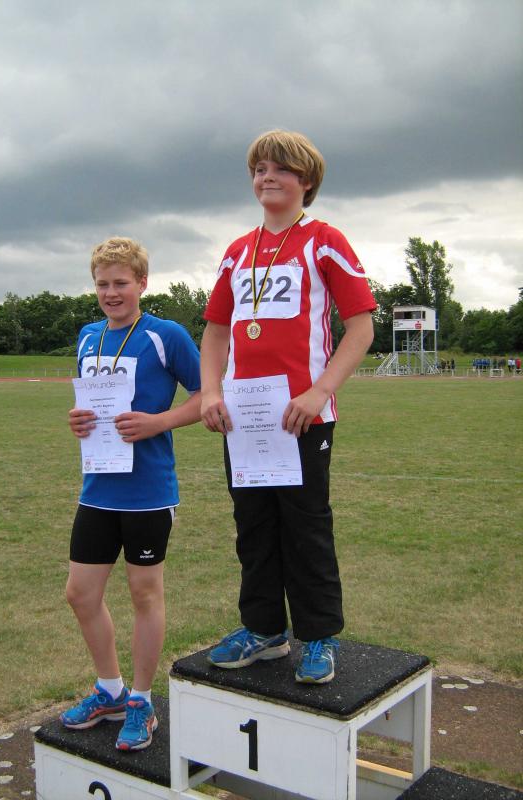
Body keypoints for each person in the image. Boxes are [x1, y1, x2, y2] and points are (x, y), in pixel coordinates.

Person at [200, 130, 376, 684]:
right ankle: (264, 630)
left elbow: (361, 327)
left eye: (280, 169)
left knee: (306, 528)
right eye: (259, 169)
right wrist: (211, 392)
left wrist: (319, 391)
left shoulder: (324, 240)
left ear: (306, 180)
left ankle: (319, 636)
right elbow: (216, 331)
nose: (267, 177)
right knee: (253, 528)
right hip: (245, 419)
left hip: (302, 417)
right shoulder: (237, 251)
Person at [61, 237, 201, 750]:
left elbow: (208, 394)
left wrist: (159, 422)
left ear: (142, 283)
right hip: (98, 488)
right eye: (102, 284)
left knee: (144, 593)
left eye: (121, 282)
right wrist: (78, 422)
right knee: (80, 594)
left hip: (148, 491)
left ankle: (141, 700)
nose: (111, 293)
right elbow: (91, 407)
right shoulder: (88, 336)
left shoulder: (166, 335)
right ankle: (111, 690)